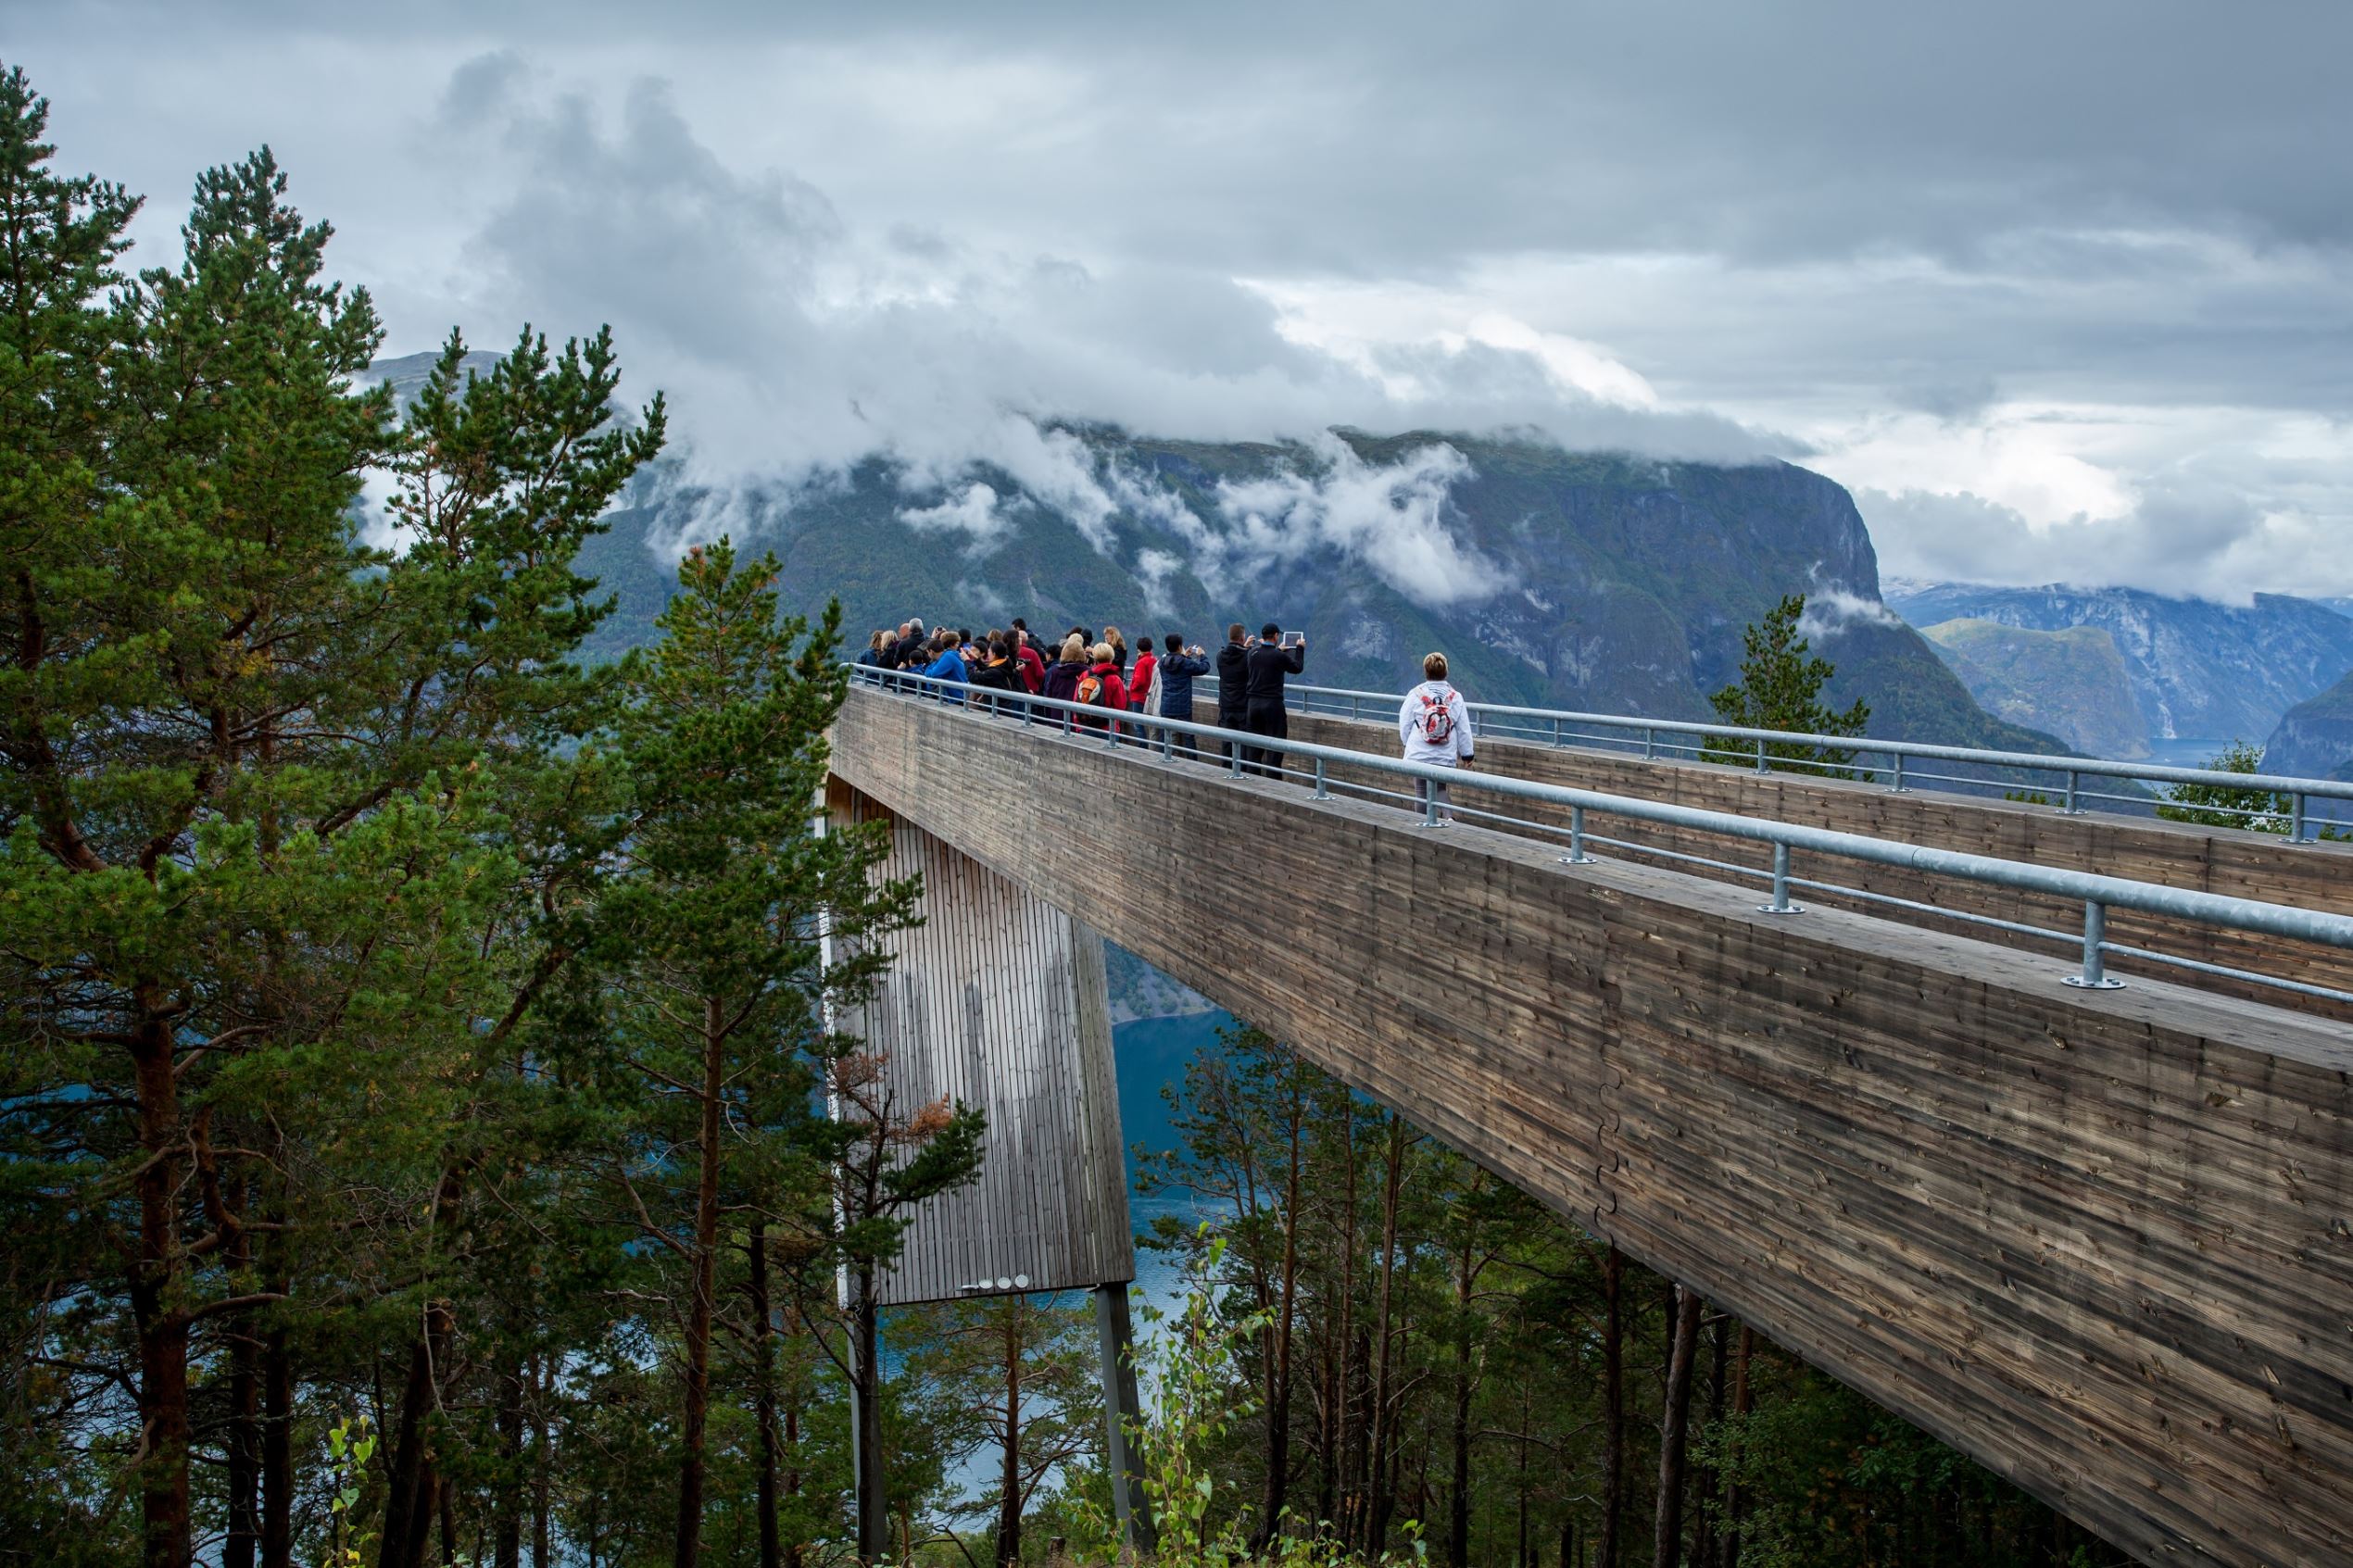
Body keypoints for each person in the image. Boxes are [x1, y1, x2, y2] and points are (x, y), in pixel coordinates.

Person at [1399, 651, 1474, 822]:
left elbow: (1405, 723)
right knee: (1440, 789)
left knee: (1421, 791)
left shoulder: (1415, 694)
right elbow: (1463, 729)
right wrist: (1467, 755)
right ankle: (1449, 818)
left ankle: (1422, 824)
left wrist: (1406, 743)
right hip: (1444, 754)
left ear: (1426, 671)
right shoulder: (1455, 697)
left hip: (1419, 752)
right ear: (1445, 672)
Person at [1241, 621, 1306, 777]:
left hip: (1253, 706)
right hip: (1272, 706)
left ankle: (1252, 781)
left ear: (1263, 636)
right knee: (1274, 750)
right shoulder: (1279, 657)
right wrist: (1300, 649)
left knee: (1253, 751)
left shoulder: (1252, 653)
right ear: (1276, 636)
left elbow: (1265, 658)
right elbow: (1297, 668)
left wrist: (1278, 651)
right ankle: (1273, 782)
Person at [1156, 632, 1212, 758]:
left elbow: (1173, 663)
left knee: (1164, 735)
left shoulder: (1162, 662)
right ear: (1180, 646)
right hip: (1183, 706)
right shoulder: (1186, 663)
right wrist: (1202, 655)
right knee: (1188, 736)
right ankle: (1192, 763)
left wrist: (1183, 656)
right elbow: (1204, 668)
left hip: (1167, 704)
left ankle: (1162, 759)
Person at [1072, 642, 1129, 737]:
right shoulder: (1115, 679)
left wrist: (1079, 724)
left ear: (1095, 657)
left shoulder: (1085, 675)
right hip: (1108, 727)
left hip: (1086, 725)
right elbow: (1121, 706)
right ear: (1111, 658)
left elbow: (1076, 699)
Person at [1214, 623, 1250, 764]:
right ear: (1242, 638)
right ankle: (1244, 771)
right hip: (1243, 706)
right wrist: (1247, 648)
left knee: (1227, 743)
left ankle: (1226, 770)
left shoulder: (1220, 656)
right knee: (1245, 743)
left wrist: (1244, 648)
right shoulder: (1248, 656)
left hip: (1226, 706)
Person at [968, 631, 1024, 716]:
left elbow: (973, 677)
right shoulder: (1004, 664)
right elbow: (987, 668)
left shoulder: (995, 671)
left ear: (994, 654)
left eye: (989, 651)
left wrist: (967, 661)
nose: (988, 654)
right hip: (1002, 708)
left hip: (997, 711)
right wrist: (976, 659)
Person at [921, 630, 969, 706]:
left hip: (957, 698)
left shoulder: (948, 657)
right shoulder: (946, 656)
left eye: (927, 652)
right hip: (958, 696)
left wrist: (928, 670)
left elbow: (933, 674)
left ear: (931, 652)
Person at [1013, 625, 1046, 694]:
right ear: (1027, 640)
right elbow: (1040, 674)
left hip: (1013, 690)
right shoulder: (1032, 653)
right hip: (1031, 691)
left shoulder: (1010, 652)